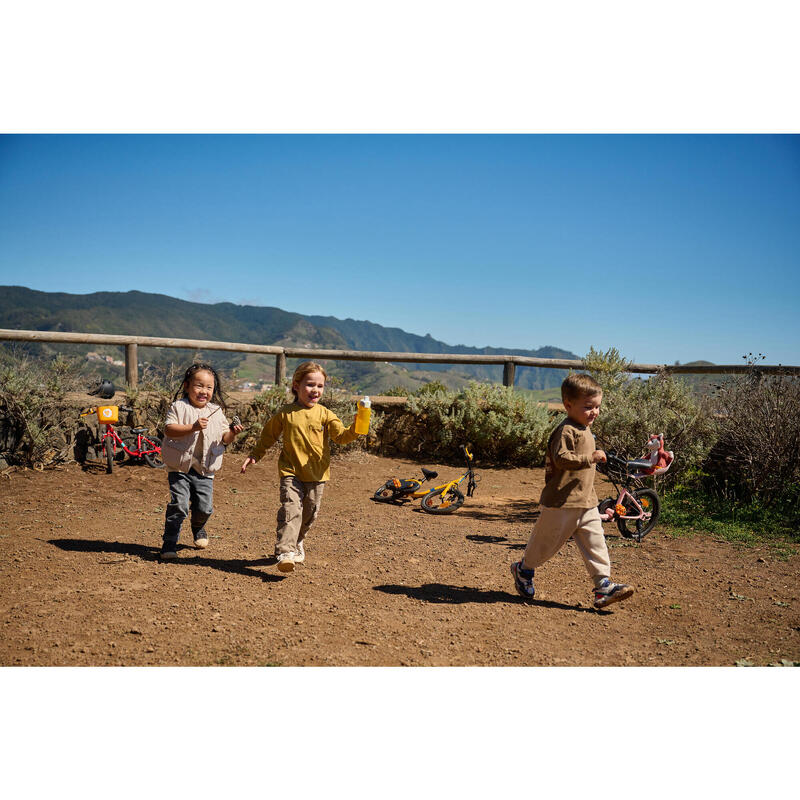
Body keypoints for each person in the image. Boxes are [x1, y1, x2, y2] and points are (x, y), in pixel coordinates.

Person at [510, 373, 634, 609]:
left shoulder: (585, 428)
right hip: (561, 502)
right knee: (544, 544)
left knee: (595, 542)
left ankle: (603, 586)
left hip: (586, 501)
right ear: (568, 405)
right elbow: (561, 458)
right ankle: (524, 570)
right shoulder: (566, 430)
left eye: (597, 406)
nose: (595, 412)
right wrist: (591, 457)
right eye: (588, 407)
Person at [240, 361, 363, 573]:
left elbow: (342, 437)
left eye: (320, 386)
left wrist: (358, 426)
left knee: (309, 513)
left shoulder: (325, 414)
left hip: (317, 474)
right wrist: (254, 455)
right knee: (291, 509)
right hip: (291, 472)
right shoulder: (286, 413)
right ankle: (285, 552)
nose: (315, 390)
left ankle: (298, 541)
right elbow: (268, 437)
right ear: (296, 386)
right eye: (310, 385)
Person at [158, 363, 243, 560]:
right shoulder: (179, 407)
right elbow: (169, 430)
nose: (204, 391)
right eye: (199, 386)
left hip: (205, 470)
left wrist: (232, 432)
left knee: (204, 508)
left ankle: (198, 527)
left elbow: (224, 438)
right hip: (179, 467)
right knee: (179, 505)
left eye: (209, 387)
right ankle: (169, 542)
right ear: (187, 386)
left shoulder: (216, 411)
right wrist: (192, 427)